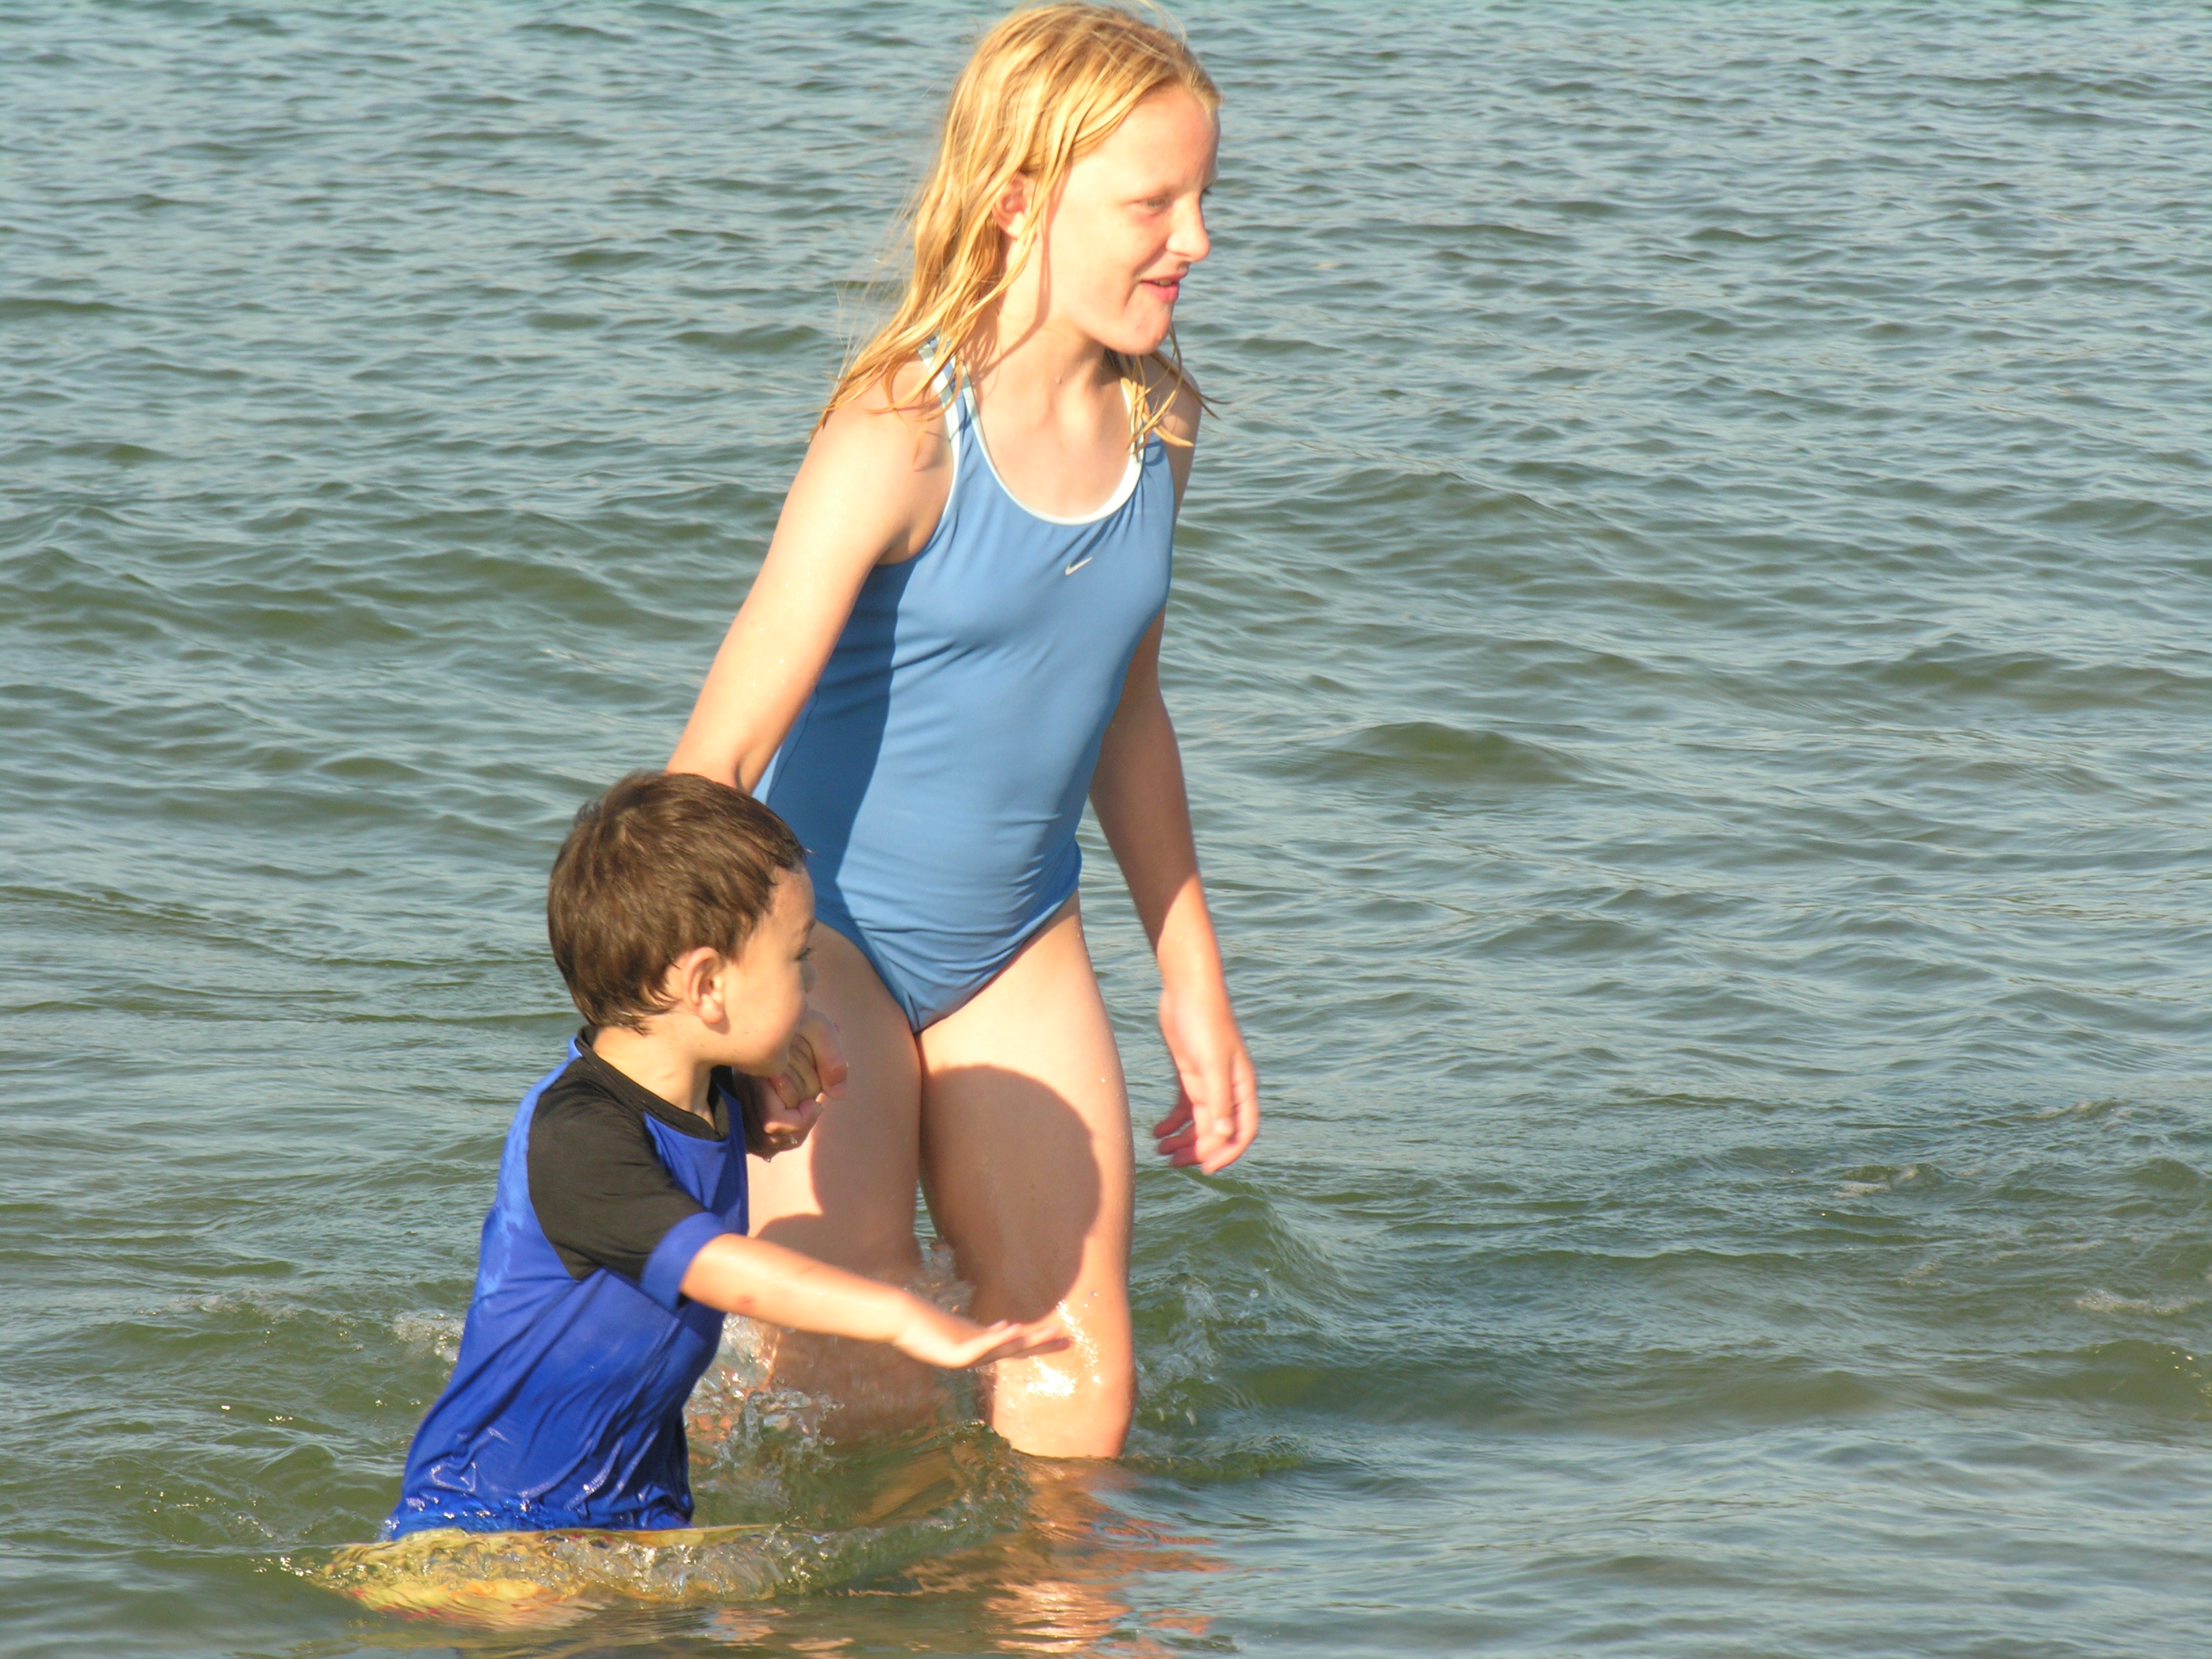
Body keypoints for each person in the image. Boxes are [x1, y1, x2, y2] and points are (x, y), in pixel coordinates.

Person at [667, 2, 1257, 1460]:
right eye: (1152, 204)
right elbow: (713, 765)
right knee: (853, 1377)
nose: (1194, 239)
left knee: (1079, 1364)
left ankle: (1058, 1577)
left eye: (1202, 198)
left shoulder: (1161, 423)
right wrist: (731, 1020)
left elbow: (1124, 707)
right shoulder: (900, 432)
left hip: (1018, 943)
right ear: (1018, 200)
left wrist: (1191, 976)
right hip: (830, 949)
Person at [384, 772, 1065, 1539]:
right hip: (488, 1523)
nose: (813, 980)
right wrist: (902, 1316)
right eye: (799, 959)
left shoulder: (704, 1086)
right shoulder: (579, 1141)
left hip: (639, 1512)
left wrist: (790, 1040)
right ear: (707, 985)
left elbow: (737, 1092)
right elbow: (726, 1272)